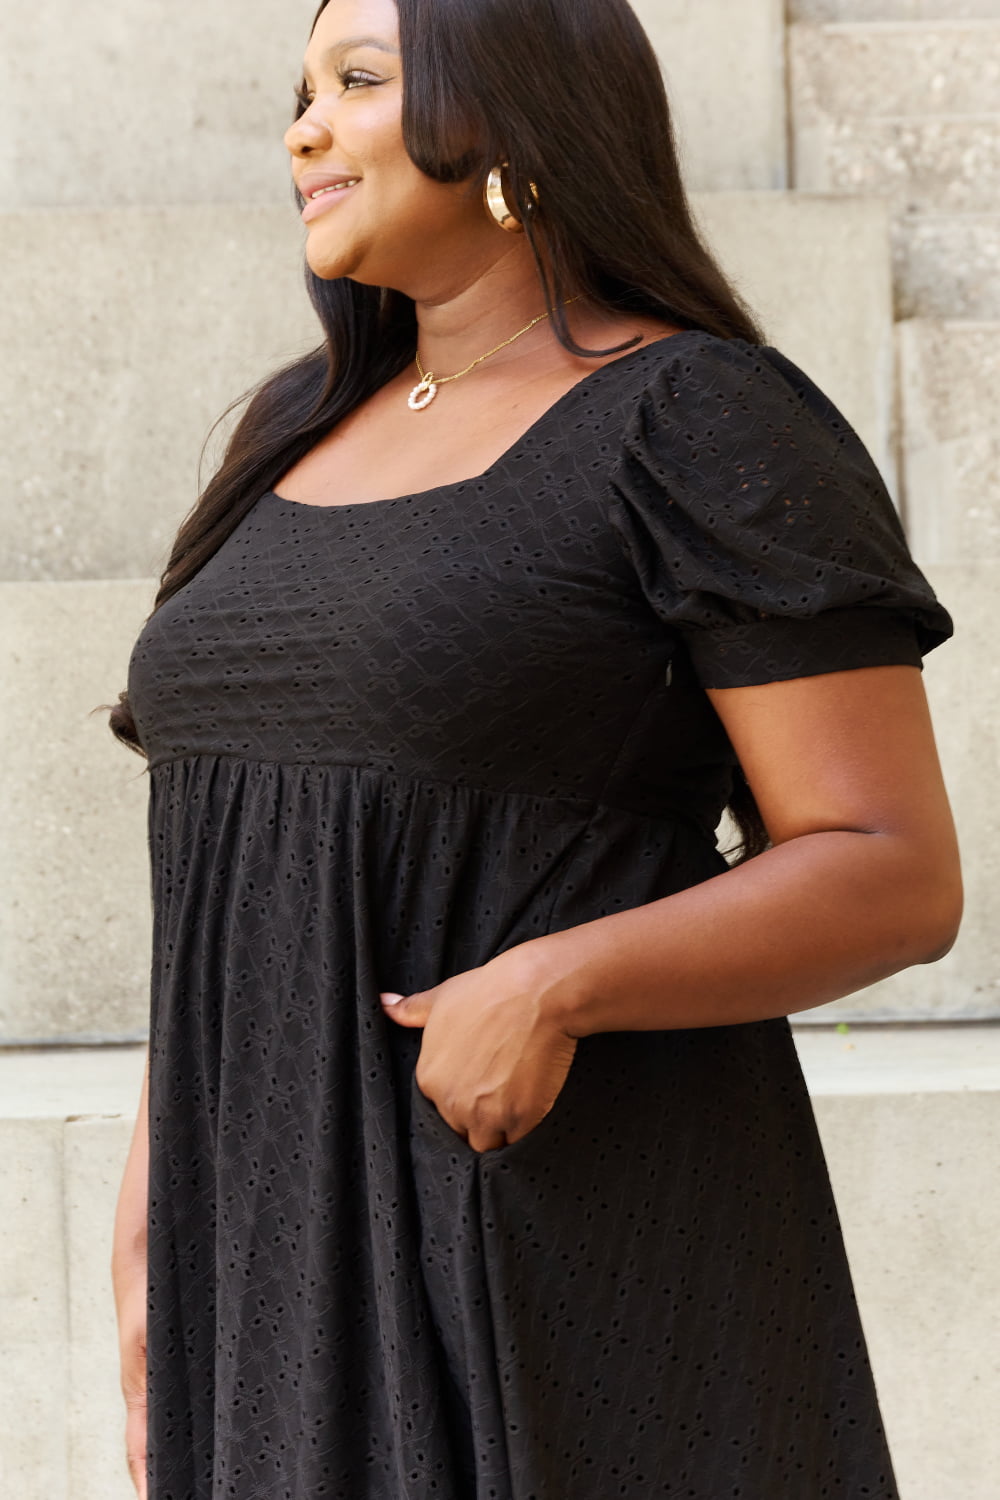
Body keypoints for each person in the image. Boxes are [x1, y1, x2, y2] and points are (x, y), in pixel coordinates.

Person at [108, 0, 962, 1496]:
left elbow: (889, 870)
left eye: (357, 80)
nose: (303, 130)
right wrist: (151, 1206)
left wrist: (551, 984)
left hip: (546, 1248)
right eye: (298, 92)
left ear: (510, 113)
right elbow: (237, 878)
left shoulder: (696, 417)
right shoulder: (292, 429)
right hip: (263, 1255)